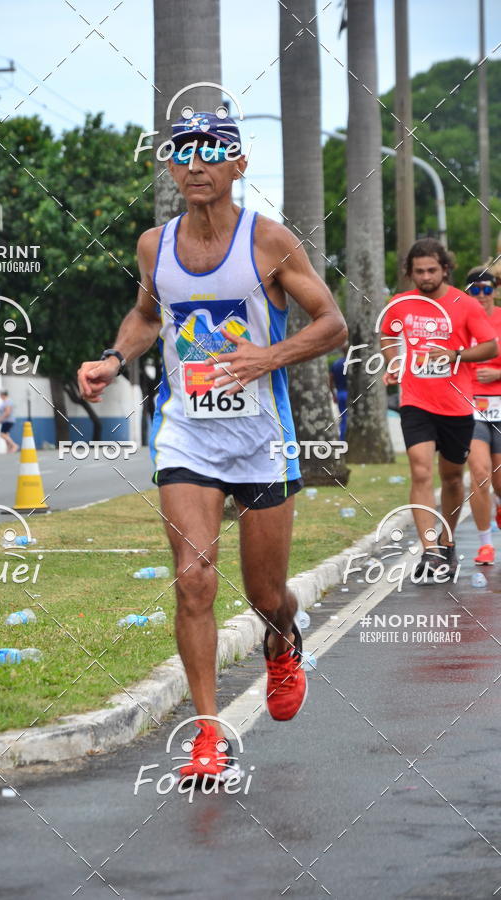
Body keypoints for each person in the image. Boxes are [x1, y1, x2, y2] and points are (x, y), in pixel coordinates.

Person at [78, 111, 346, 780]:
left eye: (212, 151)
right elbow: (147, 316)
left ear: (237, 164)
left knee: (265, 594)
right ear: (171, 167)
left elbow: (333, 323)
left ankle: (283, 643)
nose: (195, 164)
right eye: (183, 153)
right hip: (187, 434)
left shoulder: (270, 243)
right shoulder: (153, 246)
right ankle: (207, 735)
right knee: (194, 580)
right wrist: (114, 358)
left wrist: (269, 357)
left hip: (261, 437)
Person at [380, 239, 497, 579]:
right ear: (410, 273)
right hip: (416, 401)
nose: (426, 277)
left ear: (445, 268)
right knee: (420, 471)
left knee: (451, 478)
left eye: (432, 270)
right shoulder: (400, 304)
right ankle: (430, 550)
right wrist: (394, 362)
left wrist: (456, 355)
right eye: (419, 272)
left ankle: (447, 543)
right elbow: (387, 335)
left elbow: (489, 345)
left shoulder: (465, 304)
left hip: (456, 404)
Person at [465, 267, 501, 564]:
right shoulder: (459, 321)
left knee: (499, 481)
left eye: (486, 290)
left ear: (495, 291)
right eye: (475, 290)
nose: (481, 296)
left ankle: (499, 504)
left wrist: (498, 373)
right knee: (479, 473)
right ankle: (485, 543)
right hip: (471, 408)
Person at [329, 344, 348, 439]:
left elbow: (330, 381)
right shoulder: (353, 363)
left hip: (340, 393)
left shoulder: (336, 364)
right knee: (347, 418)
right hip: (349, 393)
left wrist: (333, 394)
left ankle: (342, 439)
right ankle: (344, 439)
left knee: (343, 417)